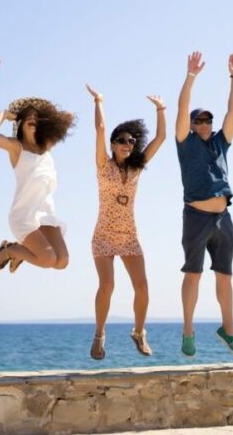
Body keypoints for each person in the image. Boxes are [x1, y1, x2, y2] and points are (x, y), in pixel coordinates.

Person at [85, 84, 166, 360]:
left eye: (131, 141)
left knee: (142, 287)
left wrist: (160, 109)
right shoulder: (102, 165)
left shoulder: (136, 168)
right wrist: (99, 101)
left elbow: (161, 137)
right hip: (104, 236)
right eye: (121, 140)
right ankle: (99, 335)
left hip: (129, 236)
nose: (127, 145)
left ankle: (139, 332)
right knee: (107, 286)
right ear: (112, 144)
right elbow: (99, 129)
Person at [174, 51, 233, 358]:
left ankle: (228, 330)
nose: (204, 123)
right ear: (191, 125)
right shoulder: (185, 142)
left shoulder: (219, 142)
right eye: (198, 120)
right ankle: (188, 332)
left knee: (225, 276)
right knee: (194, 273)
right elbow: (182, 107)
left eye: (207, 120)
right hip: (196, 216)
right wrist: (191, 76)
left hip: (224, 217)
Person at [0, 97, 75, 273]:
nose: (32, 119)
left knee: (62, 261)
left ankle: (19, 253)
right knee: (48, 259)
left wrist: (49, 115)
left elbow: (69, 117)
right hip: (24, 215)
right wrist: (3, 114)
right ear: (20, 123)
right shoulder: (16, 147)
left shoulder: (47, 146)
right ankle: (11, 250)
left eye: (36, 117)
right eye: (27, 117)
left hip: (45, 213)